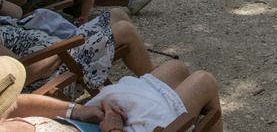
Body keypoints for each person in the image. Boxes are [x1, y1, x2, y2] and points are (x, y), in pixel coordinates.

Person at [0, 56, 224, 132]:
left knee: (177, 68)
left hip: (90, 120)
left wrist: (77, 110)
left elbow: (15, 103)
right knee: (204, 80)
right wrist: (115, 127)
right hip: (120, 128)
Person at [0, 8, 154, 93]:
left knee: (117, 14)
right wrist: (62, 50)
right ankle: (162, 87)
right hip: (57, 69)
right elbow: (24, 75)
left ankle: (153, 78)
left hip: (63, 50)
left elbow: (18, 10)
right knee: (124, 30)